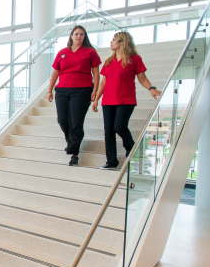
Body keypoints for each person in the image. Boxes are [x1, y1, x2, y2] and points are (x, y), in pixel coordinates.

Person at [92, 31, 162, 170]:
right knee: (109, 131)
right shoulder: (109, 61)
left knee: (119, 126)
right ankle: (111, 161)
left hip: (126, 99)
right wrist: (96, 99)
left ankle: (131, 147)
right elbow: (103, 82)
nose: (111, 42)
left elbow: (142, 78)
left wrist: (151, 88)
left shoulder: (135, 59)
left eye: (114, 40)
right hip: (108, 100)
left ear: (122, 42)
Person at [47, 25, 101, 166]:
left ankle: (74, 153)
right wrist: (49, 90)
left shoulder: (90, 52)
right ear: (71, 36)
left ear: (84, 37)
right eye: (76, 34)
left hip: (82, 91)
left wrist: (95, 89)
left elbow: (96, 72)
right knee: (63, 121)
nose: (79, 36)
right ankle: (72, 143)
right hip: (62, 91)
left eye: (82, 34)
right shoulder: (62, 52)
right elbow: (55, 72)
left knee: (76, 122)